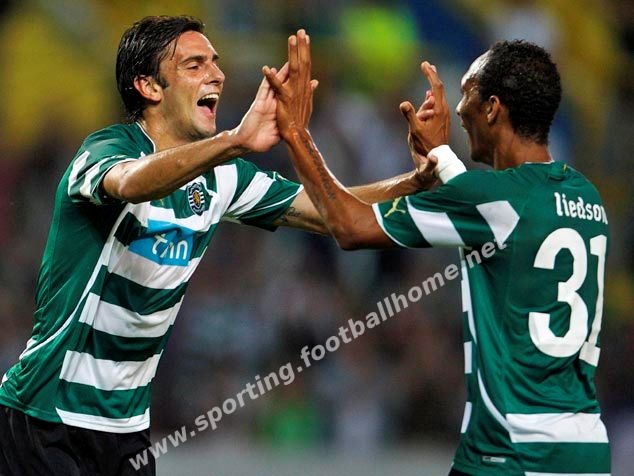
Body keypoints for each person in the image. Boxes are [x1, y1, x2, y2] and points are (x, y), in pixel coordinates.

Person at [0, 16, 442, 476]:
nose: (217, 74)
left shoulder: (221, 179)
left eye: (215, 62)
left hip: (126, 431)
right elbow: (131, 183)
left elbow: (335, 210)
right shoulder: (105, 150)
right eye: (195, 65)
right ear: (149, 87)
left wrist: (416, 180)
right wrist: (235, 141)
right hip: (44, 418)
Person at [265, 30, 611, 475]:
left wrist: (296, 134)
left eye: (467, 94)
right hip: (585, 448)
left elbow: (349, 227)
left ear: (492, 108)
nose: (460, 111)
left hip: (510, 450)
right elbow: (495, 206)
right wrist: (440, 161)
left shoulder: (492, 199)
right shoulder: (586, 197)